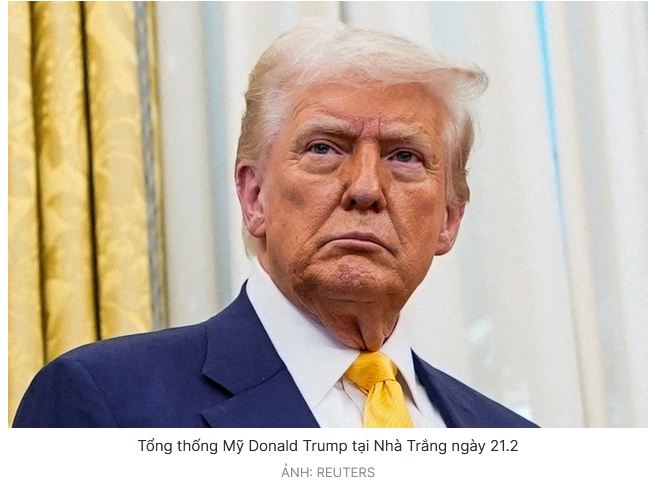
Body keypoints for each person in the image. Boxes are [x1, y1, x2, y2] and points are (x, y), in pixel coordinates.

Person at [14, 22, 537, 428]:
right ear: (254, 196)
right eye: (324, 148)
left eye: (404, 156)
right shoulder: (106, 401)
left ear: (449, 219)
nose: (365, 188)